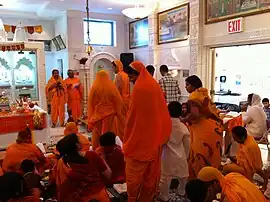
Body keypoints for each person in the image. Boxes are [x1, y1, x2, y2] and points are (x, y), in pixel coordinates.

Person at [123, 61, 172, 202]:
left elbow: (133, 115)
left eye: (131, 77)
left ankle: (133, 199)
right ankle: (147, 198)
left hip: (139, 140)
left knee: (134, 175)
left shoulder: (139, 88)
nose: (131, 80)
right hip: (154, 137)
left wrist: (128, 135)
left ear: (137, 74)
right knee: (151, 174)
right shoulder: (153, 84)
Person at [183, 75, 223, 178]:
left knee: (200, 155)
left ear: (193, 85)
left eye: (187, 85)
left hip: (203, 130)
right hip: (214, 128)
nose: (185, 87)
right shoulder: (204, 94)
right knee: (212, 155)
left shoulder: (194, 96)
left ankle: (201, 181)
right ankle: (212, 179)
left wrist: (184, 119)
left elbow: (195, 114)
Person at [53, 134, 111, 201]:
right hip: (99, 197)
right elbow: (108, 175)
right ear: (77, 145)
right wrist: (103, 159)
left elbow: (61, 186)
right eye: (79, 140)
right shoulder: (92, 155)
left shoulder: (62, 163)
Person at [159, 101, 190, 201]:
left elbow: (160, 141)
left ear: (167, 111)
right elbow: (187, 144)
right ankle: (182, 192)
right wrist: (186, 156)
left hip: (167, 156)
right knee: (183, 177)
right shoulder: (183, 127)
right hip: (181, 155)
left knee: (165, 178)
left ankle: (164, 196)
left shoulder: (164, 126)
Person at [88, 70, 124, 150]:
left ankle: (97, 149)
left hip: (97, 115)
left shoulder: (94, 87)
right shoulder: (111, 87)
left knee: (97, 133)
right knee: (108, 134)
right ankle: (108, 150)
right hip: (110, 115)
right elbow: (119, 100)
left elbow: (90, 104)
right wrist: (117, 112)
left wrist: (90, 119)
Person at [195, 166, 268, 202]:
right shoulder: (232, 175)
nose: (207, 192)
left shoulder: (229, 198)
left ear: (215, 182)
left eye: (207, 189)